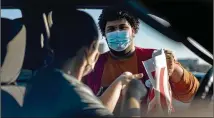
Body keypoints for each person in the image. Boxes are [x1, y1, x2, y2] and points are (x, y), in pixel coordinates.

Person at [83, 6, 200, 114]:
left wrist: (173, 68)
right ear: (104, 34)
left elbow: (192, 95)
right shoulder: (93, 64)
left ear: (133, 31)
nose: (117, 32)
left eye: (122, 27)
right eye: (111, 29)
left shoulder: (155, 58)